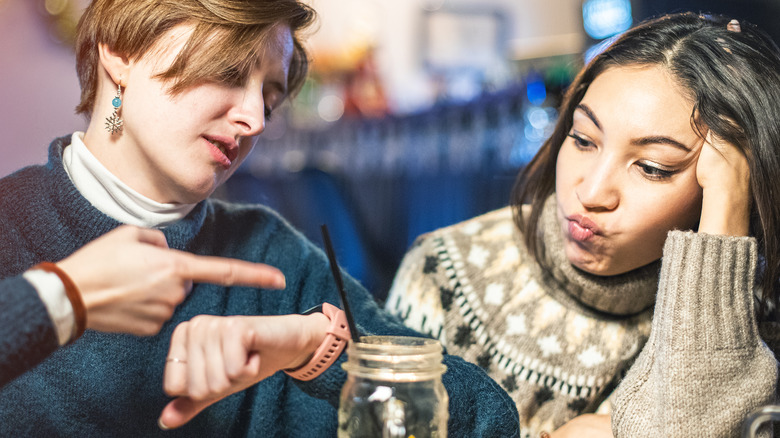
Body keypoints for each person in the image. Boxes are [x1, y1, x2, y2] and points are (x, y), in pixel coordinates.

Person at [0, 0, 520, 436]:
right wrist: (58, 300)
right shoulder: (9, 226)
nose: (252, 120)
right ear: (121, 53)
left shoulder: (274, 257)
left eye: (269, 101)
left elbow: (486, 418)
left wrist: (318, 351)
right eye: (227, 72)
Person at [385, 12, 780, 437]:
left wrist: (726, 208)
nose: (591, 192)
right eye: (583, 139)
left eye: (651, 167)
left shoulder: (745, 319)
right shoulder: (442, 271)